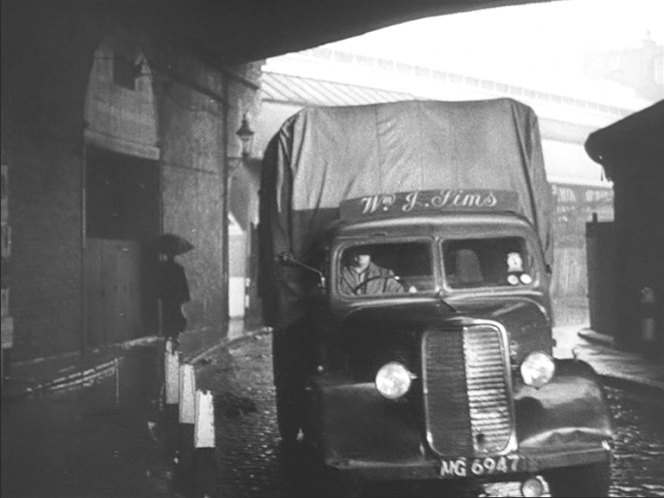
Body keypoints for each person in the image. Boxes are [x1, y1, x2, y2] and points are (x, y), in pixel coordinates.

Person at [339, 247, 405, 295]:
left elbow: (398, 294)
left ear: (370, 252)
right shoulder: (338, 273)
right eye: (356, 248)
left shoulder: (385, 274)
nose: (361, 253)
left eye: (364, 249)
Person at [157, 251, 190, 344]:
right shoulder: (178, 268)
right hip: (176, 297)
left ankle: (168, 335)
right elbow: (183, 284)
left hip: (167, 297)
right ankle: (175, 336)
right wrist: (186, 296)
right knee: (176, 315)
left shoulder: (162, 268)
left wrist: (160, 294)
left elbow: (159, 283)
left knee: (167, 316)